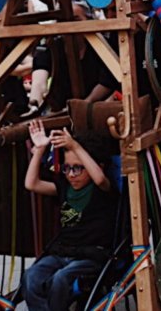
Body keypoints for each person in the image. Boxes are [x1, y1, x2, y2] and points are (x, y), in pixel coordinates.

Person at [23, 122, 118, 311]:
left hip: (91, 256)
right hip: (63, 253)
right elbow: (31, 184)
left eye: (78, 168)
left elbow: (99, 178)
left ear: (95, 166)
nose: (71, 174)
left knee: (61, 279)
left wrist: (74, 145)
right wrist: (41, 150)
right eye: (67, 168)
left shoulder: (104, 189)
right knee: (31, 276)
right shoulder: (64, 187)